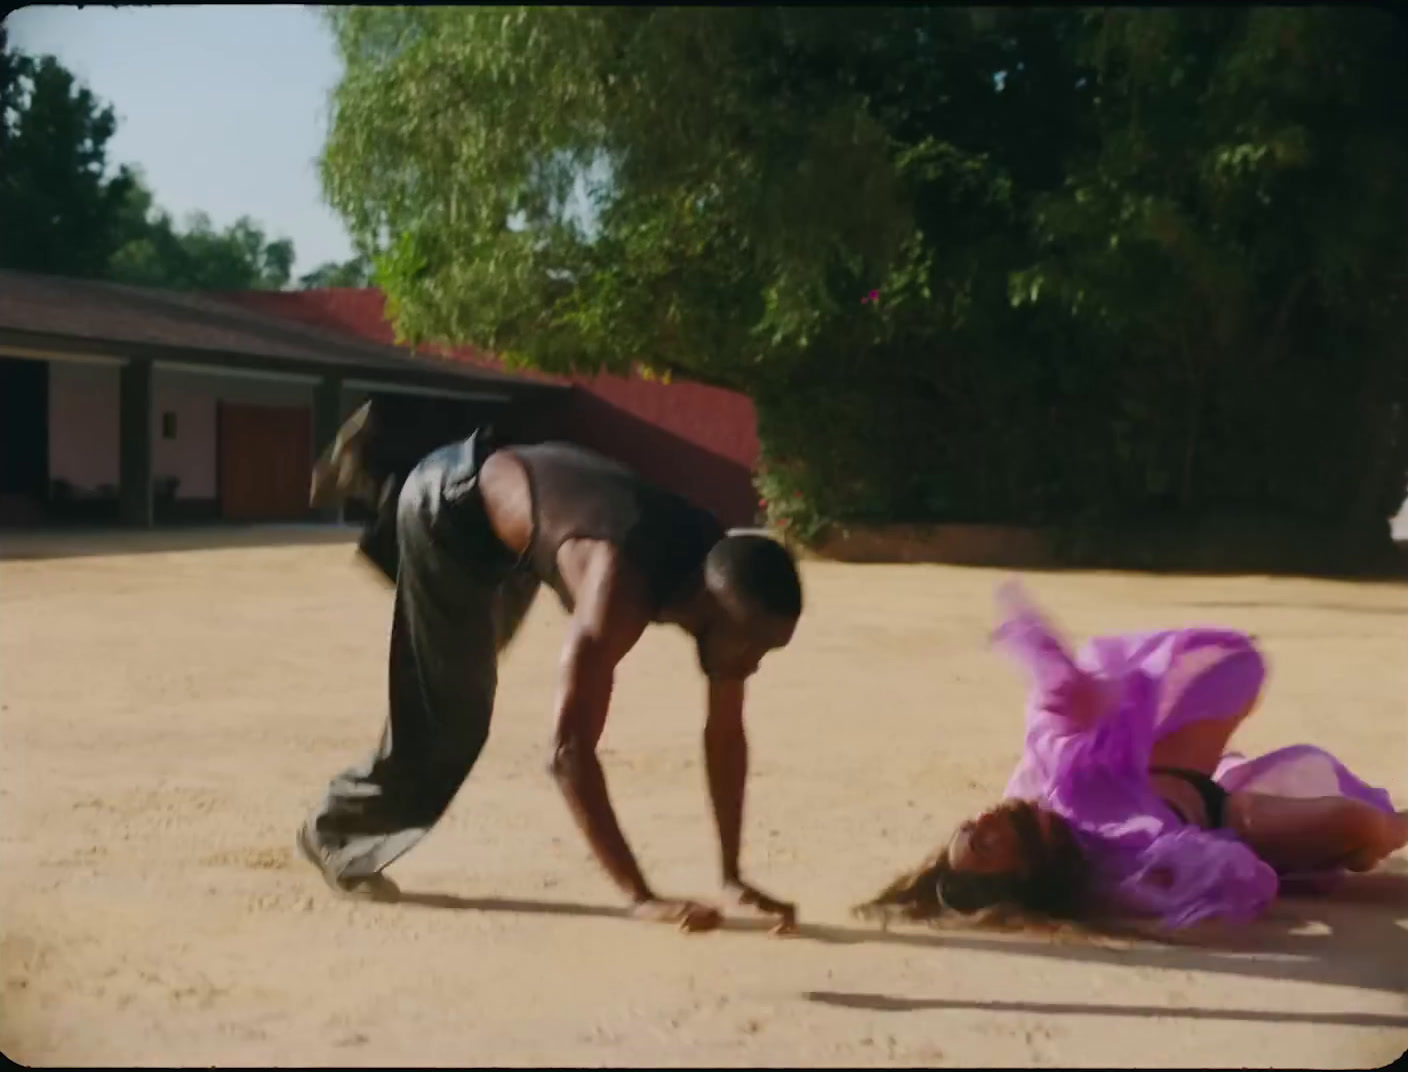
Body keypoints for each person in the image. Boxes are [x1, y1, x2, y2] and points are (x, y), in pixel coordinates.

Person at [298, 401, 804, 934]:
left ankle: (378, 473)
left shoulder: (722, 578)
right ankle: (333, 830)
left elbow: (724, 736)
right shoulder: (618, 589)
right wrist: (641, 896)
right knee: (453, 716)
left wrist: (732, 876)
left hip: (521, 515)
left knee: (462, 665)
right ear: (711, 605)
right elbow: (567, 752)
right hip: (451, 510)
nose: (752, 664)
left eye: (766, 652)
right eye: (750, 647)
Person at [858, 581, 1407, 931]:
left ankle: (1348, 843)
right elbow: (1228, 877)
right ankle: (1377, 835)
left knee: (1232, 665)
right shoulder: (1105, 873)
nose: (984, 821)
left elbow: (1060, 719)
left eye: (969, 826)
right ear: (1020, 872)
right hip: (1223, 814)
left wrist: (1081, 697)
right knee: (1360, 825)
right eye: (984, 843)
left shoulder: (1041, 788)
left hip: (1164, 765)